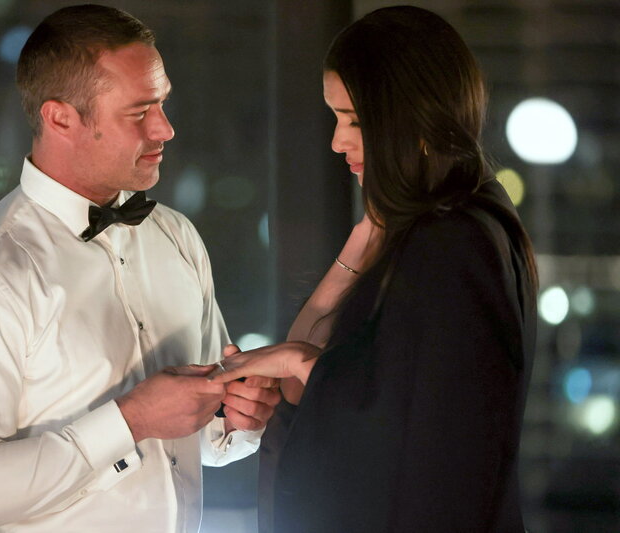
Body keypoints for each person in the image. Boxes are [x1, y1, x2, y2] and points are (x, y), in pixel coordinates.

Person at [0, 5, 280, 532]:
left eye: (162, 103)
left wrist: (235, 417)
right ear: (60, 118)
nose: (166, 128)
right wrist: (130, 420)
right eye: (139, 112)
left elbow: (198, 438)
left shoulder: (177, 237)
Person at [213, 6, 538, 532]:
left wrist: (300, 362)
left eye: (355, 121)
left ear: (414, 116)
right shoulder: (429, 229)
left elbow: (428, 434)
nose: (337, 141)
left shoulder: (454, 242)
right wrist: (361, 242)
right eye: (335, 117)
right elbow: (319, 393)